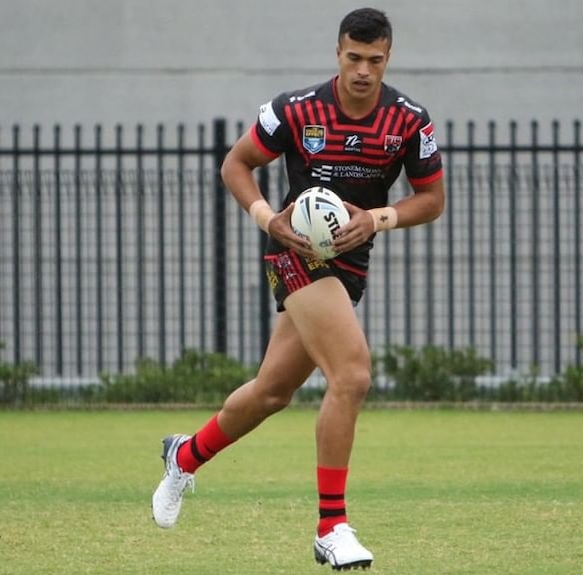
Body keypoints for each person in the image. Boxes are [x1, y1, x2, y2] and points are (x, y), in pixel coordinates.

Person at [152, 7, 444, 570]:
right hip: (294, 253)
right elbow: (236, 164)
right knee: (352, 374)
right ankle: (331, 527)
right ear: (337, 52)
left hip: (350, 264)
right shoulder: (295, 108)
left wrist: (379, 218)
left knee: (270, 393)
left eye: (374, 60)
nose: (363, 70)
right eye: (353, 58)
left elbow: (431, 200)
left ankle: (184, 456)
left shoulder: (409, 120)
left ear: (388, 58)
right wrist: (269, 219)